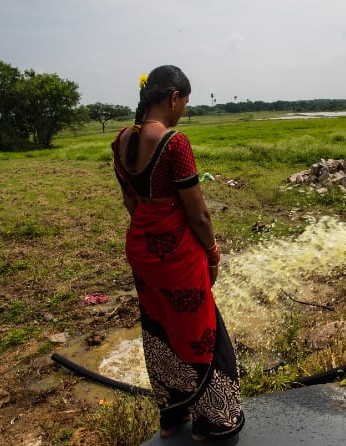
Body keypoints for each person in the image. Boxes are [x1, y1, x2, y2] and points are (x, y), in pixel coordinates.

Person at [111, 65, 244, 441]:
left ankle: (171, 419)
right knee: (199, 331)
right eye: (184, 101)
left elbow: (131, 202)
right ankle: (213, 421)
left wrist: (149, 235)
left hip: (141, 249)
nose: (184, 108)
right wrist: (213, 252)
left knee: (159, 326)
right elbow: (198, 213)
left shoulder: (121, 140)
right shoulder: (174, 143)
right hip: (178, 255)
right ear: (173, 98)